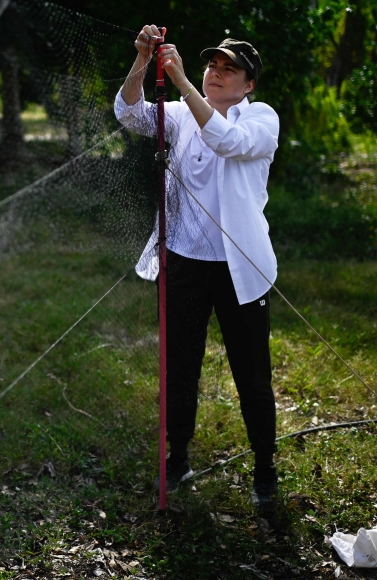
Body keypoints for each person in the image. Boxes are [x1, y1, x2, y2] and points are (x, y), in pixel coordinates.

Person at [114, 25, 281, 508]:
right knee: (179, 364)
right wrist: (144, 61)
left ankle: (264, 468)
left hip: (239, 268)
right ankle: (179, 455)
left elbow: (228, 141)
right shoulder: (181, 115)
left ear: (248, 84)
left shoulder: (261, 119)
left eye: (229, 70)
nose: (216, 74)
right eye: (212, 66)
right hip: (183, 260)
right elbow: (130, 114)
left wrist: (184, 82)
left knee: (251, 371)